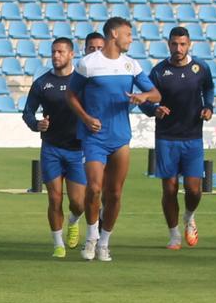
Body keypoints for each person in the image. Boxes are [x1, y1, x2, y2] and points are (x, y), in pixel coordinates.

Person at [66, 17, 161, 262]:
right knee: (95, 188)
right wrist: (86, 118)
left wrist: (143, 96)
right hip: (94, 137)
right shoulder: (88, 64)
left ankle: (105, 243)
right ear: (114, 34)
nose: (131, 39)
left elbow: (156, 93)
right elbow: (71, 95)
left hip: (120, 138)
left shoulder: (131, 65)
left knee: (115, 194)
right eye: (128, 34)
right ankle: (91, 238)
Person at [139, 27, 214, 250]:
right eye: (174, 44)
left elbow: (209, 88)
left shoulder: (200, 68)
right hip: (166, 137)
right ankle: (174, 235)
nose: (178, 48)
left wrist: (208, 107)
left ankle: (189, 217)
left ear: (189, 44)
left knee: (193, 189)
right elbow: (145, 100)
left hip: (193, 137)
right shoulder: (160, 71)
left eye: (182, 44)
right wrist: (154, 110)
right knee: (169, 189)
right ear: (169, 44)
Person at [21, 37, 85, 258]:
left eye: (61, 52)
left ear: (71, 55)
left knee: (78, 202)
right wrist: (37, 124)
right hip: (52, 149)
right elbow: (27, 112)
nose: (56, 56)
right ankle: (58, 243)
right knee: (54, 197)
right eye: (53, 52)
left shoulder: (82, 81)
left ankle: (74, 220)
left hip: (78, 150)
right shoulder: (42, 83)